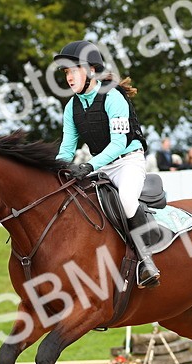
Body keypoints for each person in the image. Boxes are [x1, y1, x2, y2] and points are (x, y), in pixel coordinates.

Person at [53, 40, 158, 288]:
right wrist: (53, 172)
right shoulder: (71, 107)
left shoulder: (113, 97)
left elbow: (119, 144)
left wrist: (89, 166)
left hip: (127, 162)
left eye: (74, 70)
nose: (69, 77)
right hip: (100, 166)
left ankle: (146, 261)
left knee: (127, 201)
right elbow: (67, 149)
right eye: (66, 72)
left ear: (91, 70)